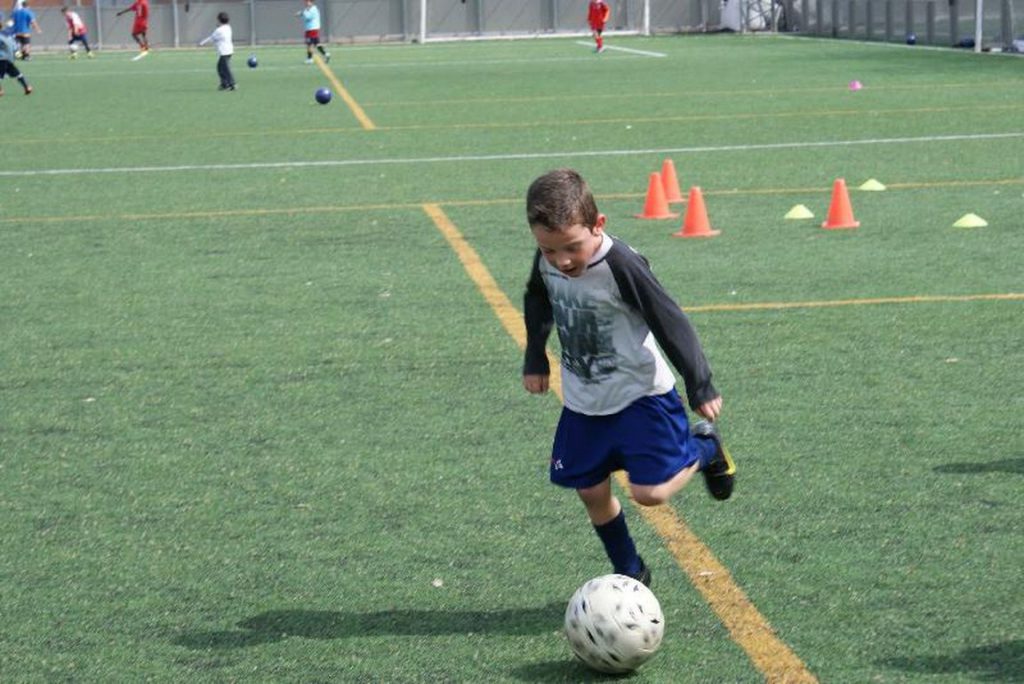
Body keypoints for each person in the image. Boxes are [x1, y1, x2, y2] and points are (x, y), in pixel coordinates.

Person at [522, 169, 736, 587]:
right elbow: (537, 297)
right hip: (585, 400)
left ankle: (706, 447)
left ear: (597, 225)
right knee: (590, 490)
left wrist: (700, 382)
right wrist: (535, 357)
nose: (561, 260)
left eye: (571, 247)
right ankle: (630, 570)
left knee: (649, 493)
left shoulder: (621, 264)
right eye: (548, 250)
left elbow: (669, 319)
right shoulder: (547, 258)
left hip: (641, 397)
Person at [198, 12, 235, 91]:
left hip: (224, 52)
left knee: (225, 69)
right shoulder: (228, 27)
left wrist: (201, 43)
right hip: (229, 50)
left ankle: (232, 84)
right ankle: (224, 84)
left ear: (219, 20)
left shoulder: (219, 30)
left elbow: (212, 38)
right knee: (220, 68)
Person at [0, 24, 32, 94]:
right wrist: (22, 56)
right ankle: (27, 87)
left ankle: (0, 91)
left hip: (1, 59)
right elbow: (15, 49)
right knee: (18, 74)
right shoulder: (8, 35)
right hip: (9, 59)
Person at [297, 0, 329, 64]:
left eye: (308, 1)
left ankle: (309, 59)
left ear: (311, 2)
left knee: (309, 44)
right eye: (305, 1)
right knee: (316, 43)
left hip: (312, 29)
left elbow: (308, 17)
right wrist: (302, 13)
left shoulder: (313, 9)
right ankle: (326, 54)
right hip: (311, 28)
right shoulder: (308, 9)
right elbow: (306, 16)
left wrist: (302, 13)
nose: (306, 3)